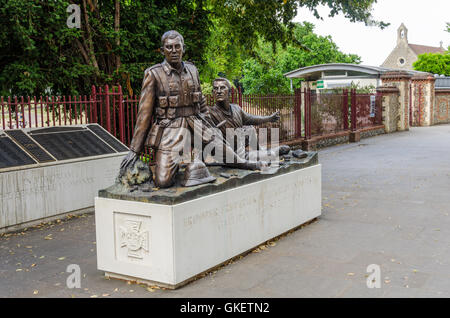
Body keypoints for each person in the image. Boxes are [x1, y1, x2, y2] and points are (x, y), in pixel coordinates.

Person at [119, 31, 261, 188]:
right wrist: (134, 150)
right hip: (171, 129)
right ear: (162, 50)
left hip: (197, 124)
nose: (174, 51)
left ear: (183, 48)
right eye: (169, 47)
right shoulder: (153, 74)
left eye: (177, 47)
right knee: (163, 181)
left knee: (227, 154)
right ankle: (184, 169)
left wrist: (210, 125)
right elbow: (143, 115)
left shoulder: (193, 70)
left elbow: (201, 102)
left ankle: (244, 163)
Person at [208, 77, 289, 160]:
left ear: (229, 92)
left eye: (222, 88)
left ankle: (259, 151)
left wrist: (269, 118)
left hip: (240, 146)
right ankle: (265, 154)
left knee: (249, 129)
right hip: (230, 154)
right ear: (213, 93)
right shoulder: (209, 113)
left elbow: (252, 119)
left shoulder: (236, 108)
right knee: (270, 155)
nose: (218, 91)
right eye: (215, 88)